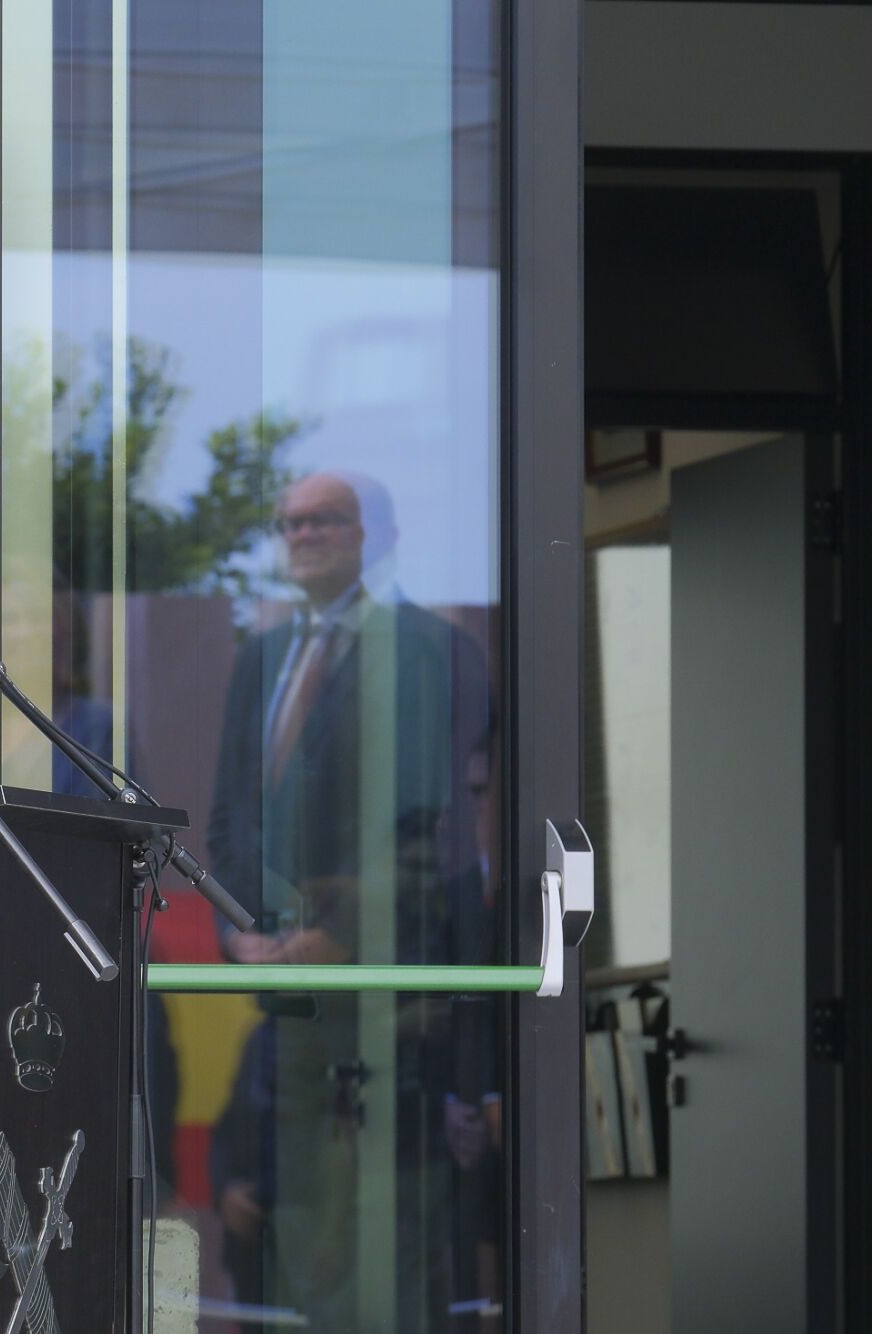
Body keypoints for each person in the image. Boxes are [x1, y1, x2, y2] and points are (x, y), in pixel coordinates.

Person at [204, 469, 489, 1328]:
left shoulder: (427, 649)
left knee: (390, 1245)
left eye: (323, 519)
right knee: (307, 1250)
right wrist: (244, 931)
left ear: (374, 536)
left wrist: (341, 932)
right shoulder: (262, 655)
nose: (301, 535)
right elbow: (227, 820)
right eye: (287, 523)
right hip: (291, 1015)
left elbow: (429, 825)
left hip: (392, 1011)